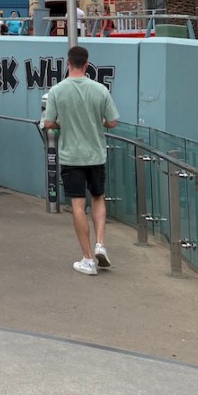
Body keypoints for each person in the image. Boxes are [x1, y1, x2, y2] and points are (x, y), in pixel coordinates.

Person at [42, 45, 119, 275]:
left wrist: (61, 123)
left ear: (68, 63)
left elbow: (48, 123)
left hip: (71, 155)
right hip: (96, 154)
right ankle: (100, 243)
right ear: (87, 64)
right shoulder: (100, 89)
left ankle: (87, 259)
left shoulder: (57, 90)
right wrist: (98, 122)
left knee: (77, 204)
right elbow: (112, 122)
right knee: (98, 197)